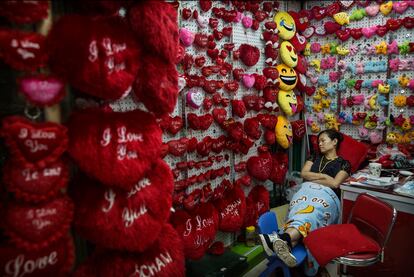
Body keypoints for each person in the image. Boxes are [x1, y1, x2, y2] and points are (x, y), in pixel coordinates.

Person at [259, 129, 351, 275]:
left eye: (323, 140)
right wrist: (325, 178)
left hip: (326, 197)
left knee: (312, 213)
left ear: (334, 142)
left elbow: (335, 184)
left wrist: (315, 177)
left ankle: (281, 239)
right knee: (301, 211)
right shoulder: (314, 156)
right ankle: (286, 242)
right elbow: (304, 174)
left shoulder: (344, 164)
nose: (320, 144)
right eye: (318, 141)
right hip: (305, 191)